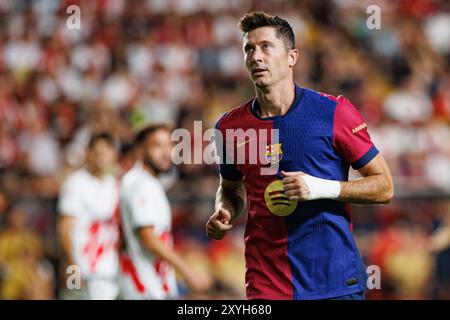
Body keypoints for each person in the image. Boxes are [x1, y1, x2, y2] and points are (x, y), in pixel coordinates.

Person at [206, 11, 394, 300]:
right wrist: (225, 209)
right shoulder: (229, 127)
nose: (256, 56)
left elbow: (384, 186)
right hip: (266, 281)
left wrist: (318, 187)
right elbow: (231, 188)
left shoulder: (333, 113)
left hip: (334, 280)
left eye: (266, 47)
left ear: (292, 57)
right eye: (249, 48)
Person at [119, 124, 210, 299]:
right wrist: (187, 270)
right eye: (157, 146)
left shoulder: (146, 181)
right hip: (144, 286)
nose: (166, 152)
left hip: (150, 283)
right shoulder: (141, 184)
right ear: (141, 150)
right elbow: (149, 238)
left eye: (169, 146)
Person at [58, 132, 120, 300]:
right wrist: (72, 269)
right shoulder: (75, 183)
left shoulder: (114, 185)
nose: (102, 157)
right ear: (88, 153)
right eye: (97, 152)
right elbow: (64, 230)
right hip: (81, 271)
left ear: (113, 155)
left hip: (108, 272)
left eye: (106, 152)